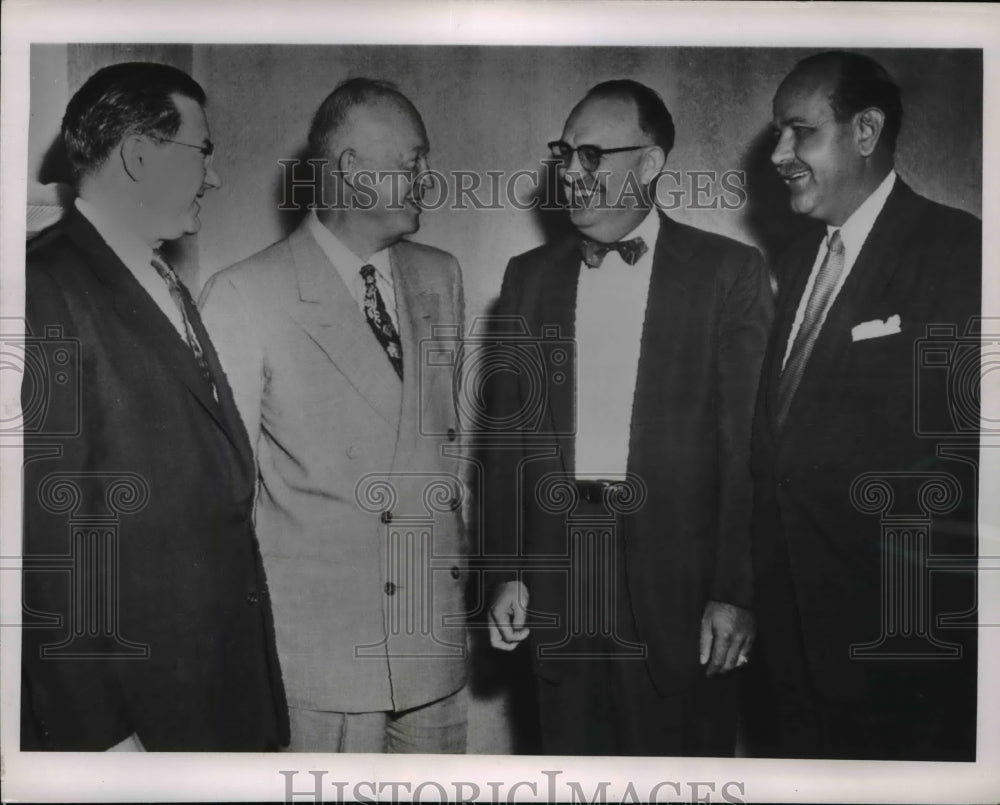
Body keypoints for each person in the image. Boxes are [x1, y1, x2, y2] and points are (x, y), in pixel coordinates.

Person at [484, 79, 773, 755]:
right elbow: (506, 442)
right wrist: (505, 569)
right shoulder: (528, 275)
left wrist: (737, 592)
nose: (571, 174)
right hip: (561, 576)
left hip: (680, 593)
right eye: (564, 153)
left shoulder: (727, 272)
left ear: (649, 164)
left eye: (591, 155)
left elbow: (747, 453)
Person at [21, 61, 288, 751]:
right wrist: (102, 735)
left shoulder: (156, 277)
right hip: (140, 719)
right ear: (140, 153)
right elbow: (44, 544)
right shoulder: (41, 287)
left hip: (213, 693)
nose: (216, 176)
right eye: (203, 151)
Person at [200, 78, 468, 753]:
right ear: (349, 169)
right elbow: (220, 501)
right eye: (411, 162)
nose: (426, 180)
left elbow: (441, 447)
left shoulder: (441, 275)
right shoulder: (243, 294)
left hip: (430, 634)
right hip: (320, 654)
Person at [752, 51, 980, 760]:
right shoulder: (794, 260)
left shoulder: (959, 249)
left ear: (865, 130)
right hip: (788, 641)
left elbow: (964, 461)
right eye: (777, 135)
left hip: (895, 648)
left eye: (799, 131)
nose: (780, 155)